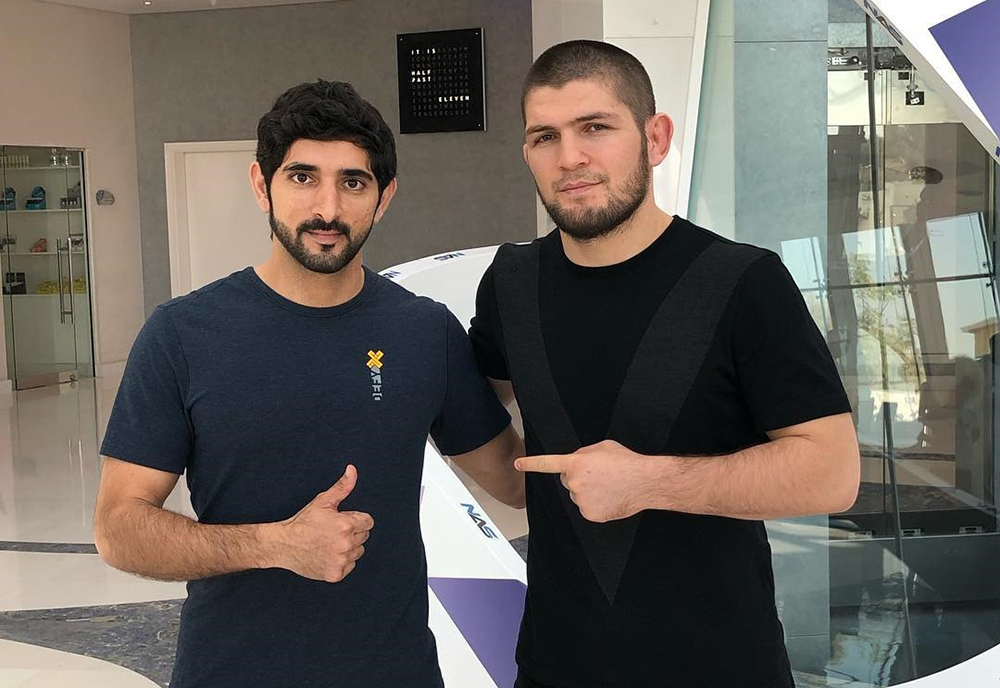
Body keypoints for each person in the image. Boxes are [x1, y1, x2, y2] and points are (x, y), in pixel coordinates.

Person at [93, 79, 524, 688]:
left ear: (385, 196)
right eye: (302, 177)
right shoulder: (183, 335)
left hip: (394, 672)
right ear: (260, 184)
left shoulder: (424, 332)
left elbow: (514, 477)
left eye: (354, 182)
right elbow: (119, 529)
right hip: (232, 672)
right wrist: (275, 544)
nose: (328, 208)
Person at [468, 40, 861, 687]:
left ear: (656, 137)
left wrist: (649, 483)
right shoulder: (512, 282)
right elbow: (473, 396)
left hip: (720, 667)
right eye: (545, 137)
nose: (571, 157)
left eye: (595, 127)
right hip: (556, 666)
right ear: (528, 154)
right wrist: (513, 481)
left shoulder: (743, 281)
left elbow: (831, 471)